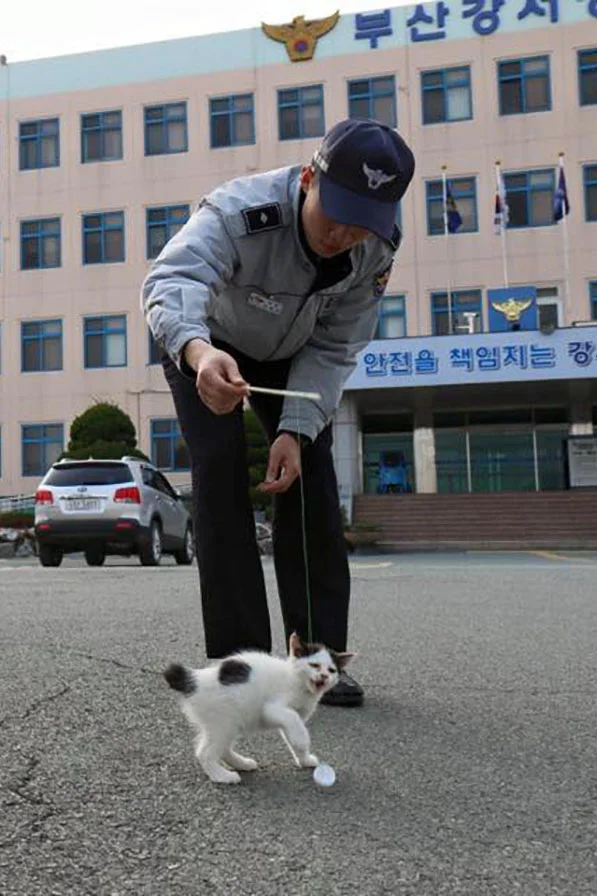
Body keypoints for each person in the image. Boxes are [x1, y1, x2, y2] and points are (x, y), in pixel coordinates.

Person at [141, 118, 415, 707]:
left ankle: (316, 661)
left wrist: (295, 430)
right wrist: (197, 351)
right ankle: (241, 670)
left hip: (294, 362)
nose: (343, 235)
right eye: (335, 214)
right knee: (220, 474)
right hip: (206, 341)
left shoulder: (376, 247)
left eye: (362, 223)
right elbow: (171, 279)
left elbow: (338, 343)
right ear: (309, 178)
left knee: (310, 482)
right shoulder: (240, 212)